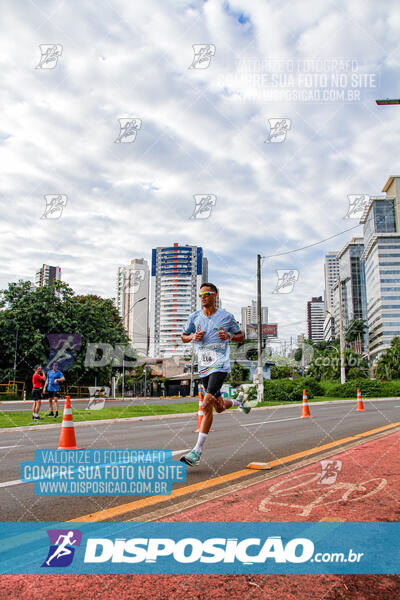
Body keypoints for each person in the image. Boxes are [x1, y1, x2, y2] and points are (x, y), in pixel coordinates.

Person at [180, 283, 250, 467]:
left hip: (219, 364)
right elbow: (183, 336)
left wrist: (229, 336)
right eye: (201, 294)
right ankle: (239, 401)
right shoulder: (194, 317)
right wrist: (192, 337)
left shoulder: (226, 317)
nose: (203, 296)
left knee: (206, 404)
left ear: (215, 295)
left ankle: (197, 451)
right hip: (203, 366)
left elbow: (241, 336)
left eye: (207, 293)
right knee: (218, 407)